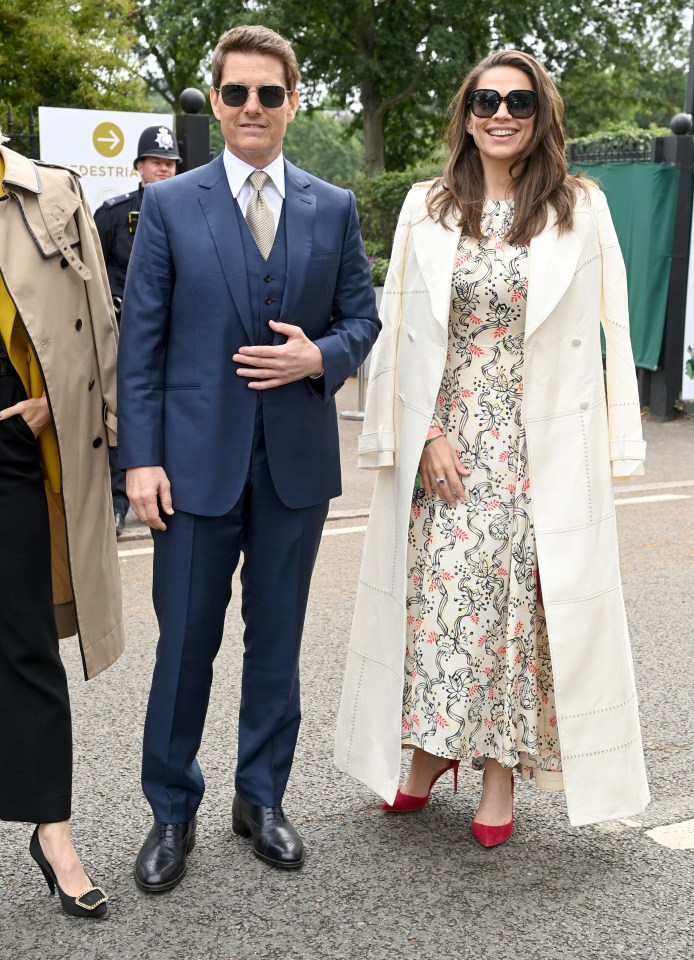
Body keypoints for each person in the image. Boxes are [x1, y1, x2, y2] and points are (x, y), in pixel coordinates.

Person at [335, 49, 650, 841]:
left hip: (541, 443)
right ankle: (428, 751)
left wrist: (618, 446)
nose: (501, 114)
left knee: (515, 608)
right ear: (465, 113)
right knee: (437, 603)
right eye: (485, 100)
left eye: (518, 102)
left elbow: (615, 328)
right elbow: (400, 328)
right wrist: (425, 432)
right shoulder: (426, 206)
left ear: (541, 115)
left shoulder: (581, 207)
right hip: (447, 443)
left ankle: (499, 772)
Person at [118, 24, 379, 891]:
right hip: (189, 470)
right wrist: (140, 460)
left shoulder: (332, 206)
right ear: (218, 102)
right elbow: (142, 344)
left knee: (278, 644)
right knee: (185, 644)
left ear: (294, 101)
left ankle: (260, 798)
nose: (253, 108)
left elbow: (361, 319)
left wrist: (322, 359)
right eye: (237, 93)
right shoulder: (168, 205)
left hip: (295, 468)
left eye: (271, 93)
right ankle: (170, 810)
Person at [0, 138, 123, 916]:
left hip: (12, 444)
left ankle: (55, 832)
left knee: (25, 645)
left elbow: (98, 327)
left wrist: (67, 408)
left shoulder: (48, 192)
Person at [94, 125, 181, 537]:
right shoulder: (113, 213)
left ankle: (168, 492)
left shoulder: (190, 210)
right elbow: (91, 271)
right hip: (120, 331)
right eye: (157, 162)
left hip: (174, 337)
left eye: (170, 163)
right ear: (139, 167)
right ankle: (115, 500)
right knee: (119, 416)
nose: (164, 170)